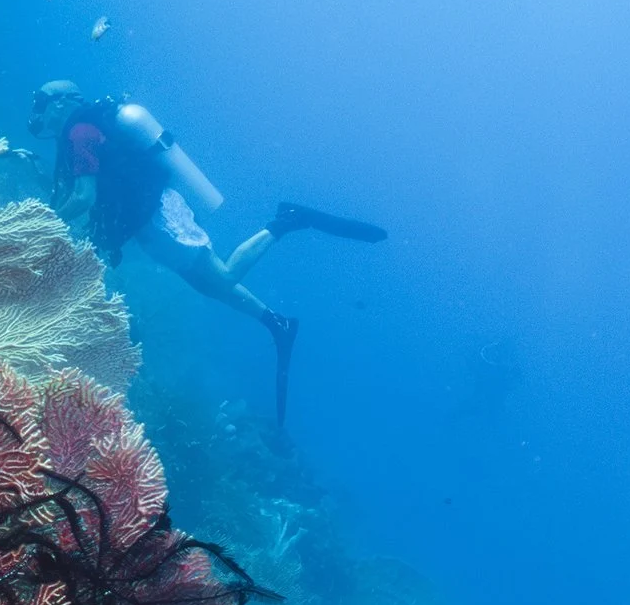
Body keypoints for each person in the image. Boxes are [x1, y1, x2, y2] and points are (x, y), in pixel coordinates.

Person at [26, 80, 385, 420]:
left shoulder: (79, 133)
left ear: (60, 103)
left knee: (223, 276)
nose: (40, 117)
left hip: (156, 219)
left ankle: (287, 221)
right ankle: (276, 323)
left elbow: (84, 196)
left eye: (42, 107)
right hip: (149, 220)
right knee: (205, 284)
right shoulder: (88, 129)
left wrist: (42, 223)